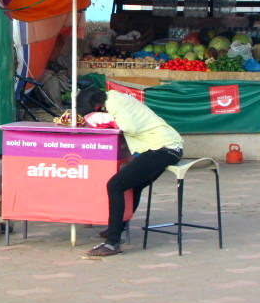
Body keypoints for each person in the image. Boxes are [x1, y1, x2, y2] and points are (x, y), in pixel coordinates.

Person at [76, 87, 184, 257]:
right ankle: (118, 227)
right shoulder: (114, 98)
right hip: (168, 146)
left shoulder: (115, 103)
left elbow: (129, 127)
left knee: (115, 185)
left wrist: (104, 120)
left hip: (163, 148)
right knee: (134, 186)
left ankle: (112, 243)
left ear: (95, 106)